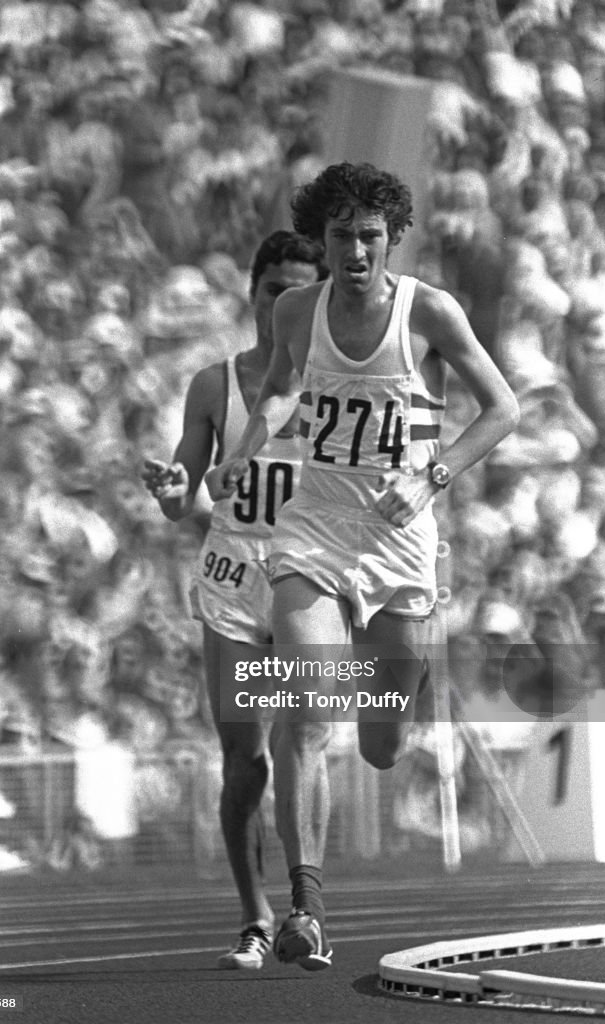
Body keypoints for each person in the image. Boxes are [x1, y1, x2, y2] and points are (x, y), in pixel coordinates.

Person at [206, 162, 520, 971]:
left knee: (381, 740)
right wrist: (245, 451)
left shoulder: (430, 313)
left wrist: (433, 475)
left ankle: (402, 699)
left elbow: (504, 408)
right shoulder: (296, 308)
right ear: (323, 239)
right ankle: (306, 910)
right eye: (340, 235)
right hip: (312, 532)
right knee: (311, 709)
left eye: (370, 235)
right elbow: (277, 391)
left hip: (402, 541)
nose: (355, 249)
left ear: (392, 239)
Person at [141, 230, 325, 970]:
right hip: (232, 581)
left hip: (310, 575)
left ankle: (309, 912)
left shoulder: (338, 387)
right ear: (252, 296)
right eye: (272, 288)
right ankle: (255, 919)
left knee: (307, 737)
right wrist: (175, 490)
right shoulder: (213, 383)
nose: (284, 301)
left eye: (298, 291)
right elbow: (184, 494)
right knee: (244, 761)